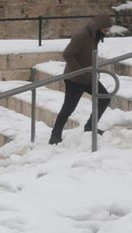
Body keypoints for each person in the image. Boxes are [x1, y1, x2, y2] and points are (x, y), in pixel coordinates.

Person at [49, 13, 114, 144]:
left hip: (88, 76)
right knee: (69, 108)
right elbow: (67, 54)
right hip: (75, 79)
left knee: (104, 98)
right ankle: (55, 136)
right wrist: (80, 71)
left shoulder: (94, 35)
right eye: (105, 30)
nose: (106, 33)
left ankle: (90, 127)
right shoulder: (82, 35)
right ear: (98, 27)